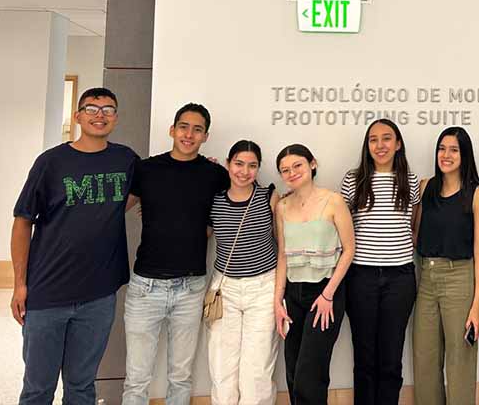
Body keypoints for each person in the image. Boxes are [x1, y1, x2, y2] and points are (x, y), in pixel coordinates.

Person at [10, 87, 139, 405]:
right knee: (38, 388)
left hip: (98, 295)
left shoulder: (126, 159)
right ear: (78, 116)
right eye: (92, 108)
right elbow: (22, 221)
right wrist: (19, 284)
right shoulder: (51, 162)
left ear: (116, 118)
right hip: (47, 293)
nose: (100, 115)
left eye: (108, 109)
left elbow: (147, 189)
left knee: (81, 387)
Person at [122, 103, 229, 405]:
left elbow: (235, 205)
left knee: (181, 377)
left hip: (191, 288)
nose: (189, 134)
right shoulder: (146, 169)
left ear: (205, 136)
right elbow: (114, 211)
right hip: (145, 287)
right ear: (172, 130)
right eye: (183, 126)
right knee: (136, 379)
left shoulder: (215, 174)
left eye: (197, 129)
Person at [340, 118, 420, 405]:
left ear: (398, 144)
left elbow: (413, 225)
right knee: (364, 358)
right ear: (367, 145)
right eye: (373, 139)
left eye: (387, 138)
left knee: (390, 358)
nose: (380, 145)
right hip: (361, 277)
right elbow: (342, 226)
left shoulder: (409, 180)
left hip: (400, 278)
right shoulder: (353, 180)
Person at [412, 127, 479, 405]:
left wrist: (477, 304)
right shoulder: (425, 187)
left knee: (460, 359)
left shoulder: (477, 195)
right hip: (427, 278)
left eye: (453, 150)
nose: (446, 155)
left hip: (459, 278)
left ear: (465, 154)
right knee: (424, 358)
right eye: (442, 148)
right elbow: (414, 232)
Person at [274, 144, 355, 405]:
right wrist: (278, 302)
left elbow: (349, 249)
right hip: (294, 293)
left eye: (297, 165)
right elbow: (283, 256)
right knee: (293, 370)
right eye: (285, 170)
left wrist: (328, 294)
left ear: (312, 164)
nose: (292, 172)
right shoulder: (282, 207)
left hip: (325, 292)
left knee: (311, 374)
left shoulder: (333, 201)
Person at [207, 140, 280, 404]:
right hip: (224, 288)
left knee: (256, 370)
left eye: (252, 165)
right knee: (221, 366)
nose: (244, 171)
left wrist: (280, 294)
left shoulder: (268, 196)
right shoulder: (213, 199)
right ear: (228, 164)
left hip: (263, 287)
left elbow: (282, 247)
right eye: (238, 163)